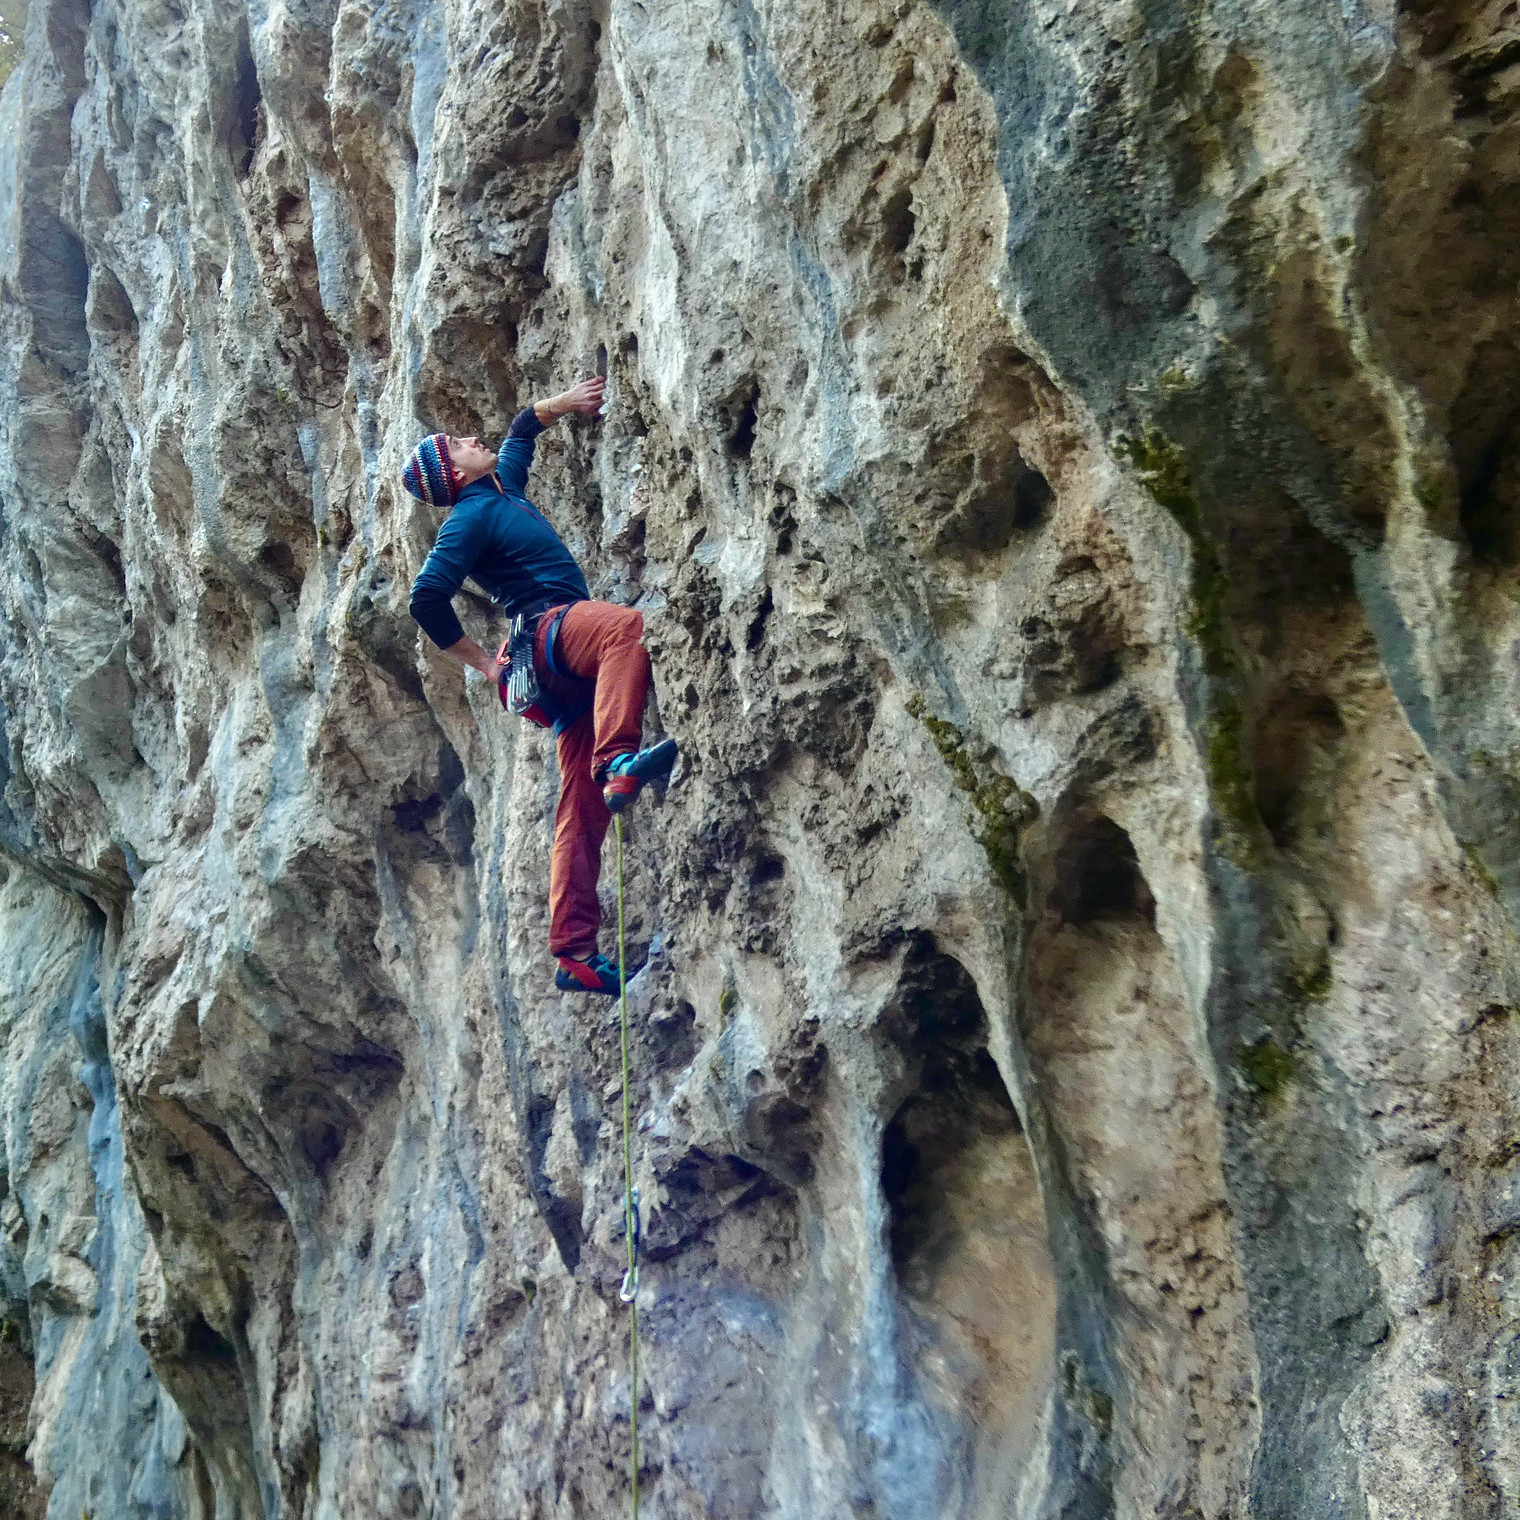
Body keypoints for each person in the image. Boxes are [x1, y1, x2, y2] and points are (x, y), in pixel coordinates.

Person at [402, 375, 677, 995]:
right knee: (624, 628)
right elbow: (427, 598)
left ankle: (574, 952)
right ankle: (619, 760)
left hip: (550, 672)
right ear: (455, 472)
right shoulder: (468, 517)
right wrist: (484, 664)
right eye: (457, 442)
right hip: (547, 635)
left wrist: (565, 404)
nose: (471, 437)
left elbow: (520, 432)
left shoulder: (500, 489)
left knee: (579, 808)